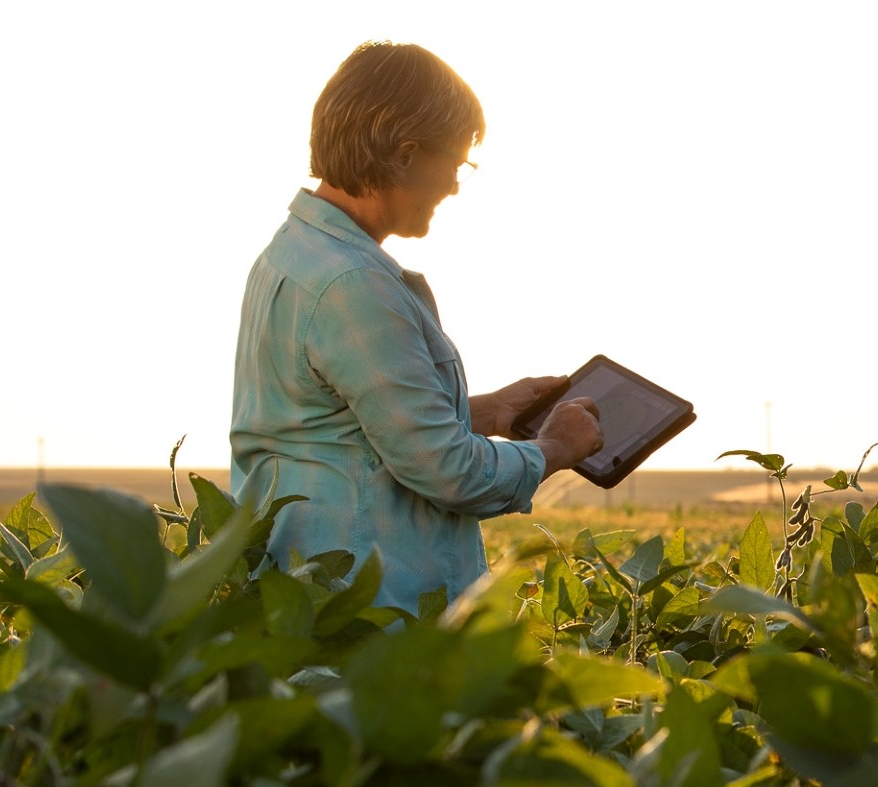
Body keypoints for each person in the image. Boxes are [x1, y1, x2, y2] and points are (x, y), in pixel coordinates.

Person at [230, 41, 601, 612]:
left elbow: (339, 429)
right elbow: (451, 473)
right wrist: (554, 449)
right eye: (455, 163)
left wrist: (487, 411)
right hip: (365, 611)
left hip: (307, 598)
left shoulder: (295, 254)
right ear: (404, 154)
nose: (454, 185)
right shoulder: (353, 283)